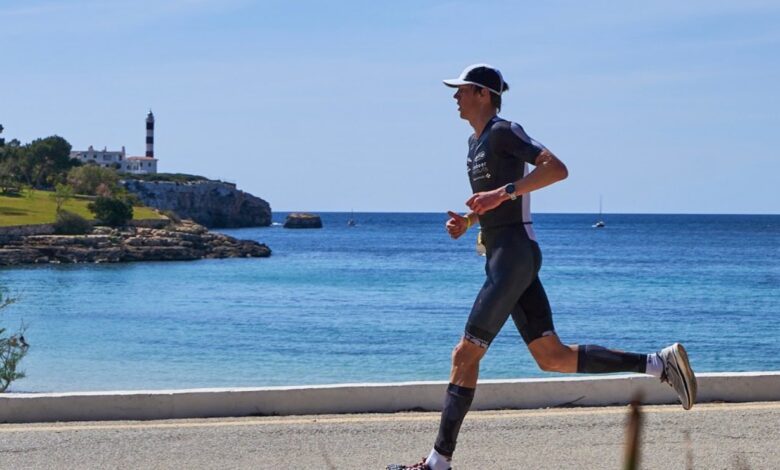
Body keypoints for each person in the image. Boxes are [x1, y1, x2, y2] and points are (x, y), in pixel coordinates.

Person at [387, 64, 697, 470]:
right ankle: (659, 363)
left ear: (483, 94)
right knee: (551, 356)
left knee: (464, 356)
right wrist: (468, 221)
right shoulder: (473, 143)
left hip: (514, 255)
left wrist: (504, 191)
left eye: (461, 90)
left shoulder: (503, 130)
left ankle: (437, 464)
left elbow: (556, 168)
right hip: (504, 257)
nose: (454, 97)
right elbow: (491, 202)